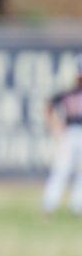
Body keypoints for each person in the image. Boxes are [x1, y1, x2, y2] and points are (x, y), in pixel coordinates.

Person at [42, 56, 82, 215]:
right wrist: (56, 128)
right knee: (61, 170)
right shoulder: (69, 93)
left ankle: (78, 207)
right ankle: (49, 205)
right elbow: (49, 106)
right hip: (71, 133)